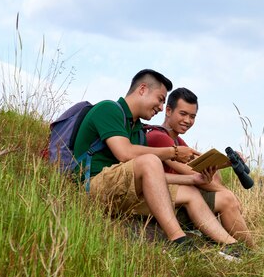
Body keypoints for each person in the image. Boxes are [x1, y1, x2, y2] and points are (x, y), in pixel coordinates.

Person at [73, 69, 245, 258]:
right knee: (150, 160)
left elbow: (153, 176)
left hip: (122, 191)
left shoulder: (138, 130)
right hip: (93, 186)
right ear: (142, 89)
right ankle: (179, 241)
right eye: (161, 99)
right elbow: (124, 152)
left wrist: (193, 179)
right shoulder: (109, 109)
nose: (161, 107)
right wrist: (173, 152)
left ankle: (233, 246)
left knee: (190, 193)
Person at [145, 87, 255, 248]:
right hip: (164, 205)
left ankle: (241, 249)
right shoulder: (158, 137)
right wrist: (226, 190)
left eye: (192, 116)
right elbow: (193, 174)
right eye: (183, 114)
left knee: (227, 196)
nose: (188, 121)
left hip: (179, 200)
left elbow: (208, 173)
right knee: (227, 199)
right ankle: (251, 251)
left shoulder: (179, 142)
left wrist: (225, 162)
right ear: (168, 110)